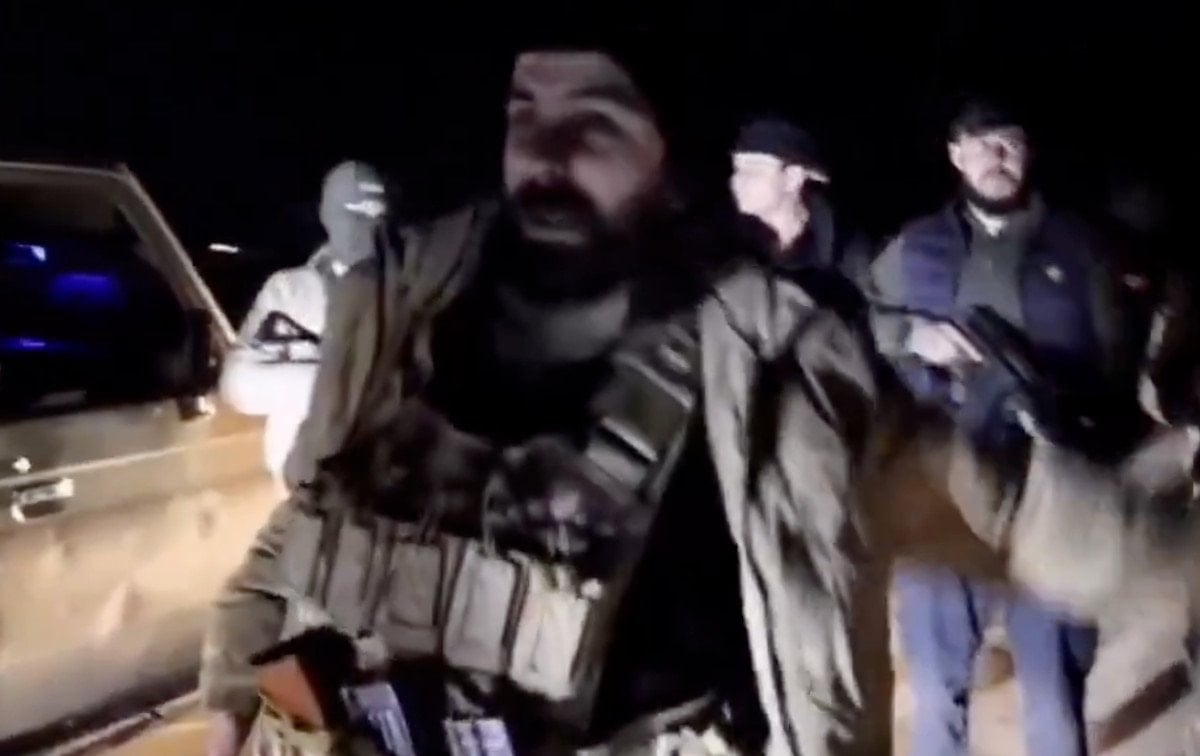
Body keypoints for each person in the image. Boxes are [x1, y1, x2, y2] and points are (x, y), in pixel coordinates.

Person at [200, 39, 1196, 756]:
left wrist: (1176, 564)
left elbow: (1007, 511)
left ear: (658, 148)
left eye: (592, 120)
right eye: (525, 113)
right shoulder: (420, 300)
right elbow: (309, 524)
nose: (546, 151)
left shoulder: (766, 349)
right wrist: (237, 682)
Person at [870, 97, 1156, 755]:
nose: (995, 157)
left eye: (1009, 143)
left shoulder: (1083, 246)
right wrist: (916, 337)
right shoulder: (917, 245)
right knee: (937, 684)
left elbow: (1121, 366)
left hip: (1052, 493)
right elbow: (871, 321)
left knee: (1054, 686)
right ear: (955, 155)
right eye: (980, 144)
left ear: (1028, 153)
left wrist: (1070, 417)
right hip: (945, 489)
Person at [219, 160, 389, 483]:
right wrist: (331, 382)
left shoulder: (409, 290)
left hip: (381, 483)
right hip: (305, 483)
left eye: (375, 216)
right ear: (327, 215)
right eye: (351, 214)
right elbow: (237, 384)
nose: (363, 229)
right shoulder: (292, 291)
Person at [729, 116, 872, 315]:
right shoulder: (726, 244)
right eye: (737, 169)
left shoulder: (847, 252)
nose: (738, 181)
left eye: (753, 171)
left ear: (792, 178)